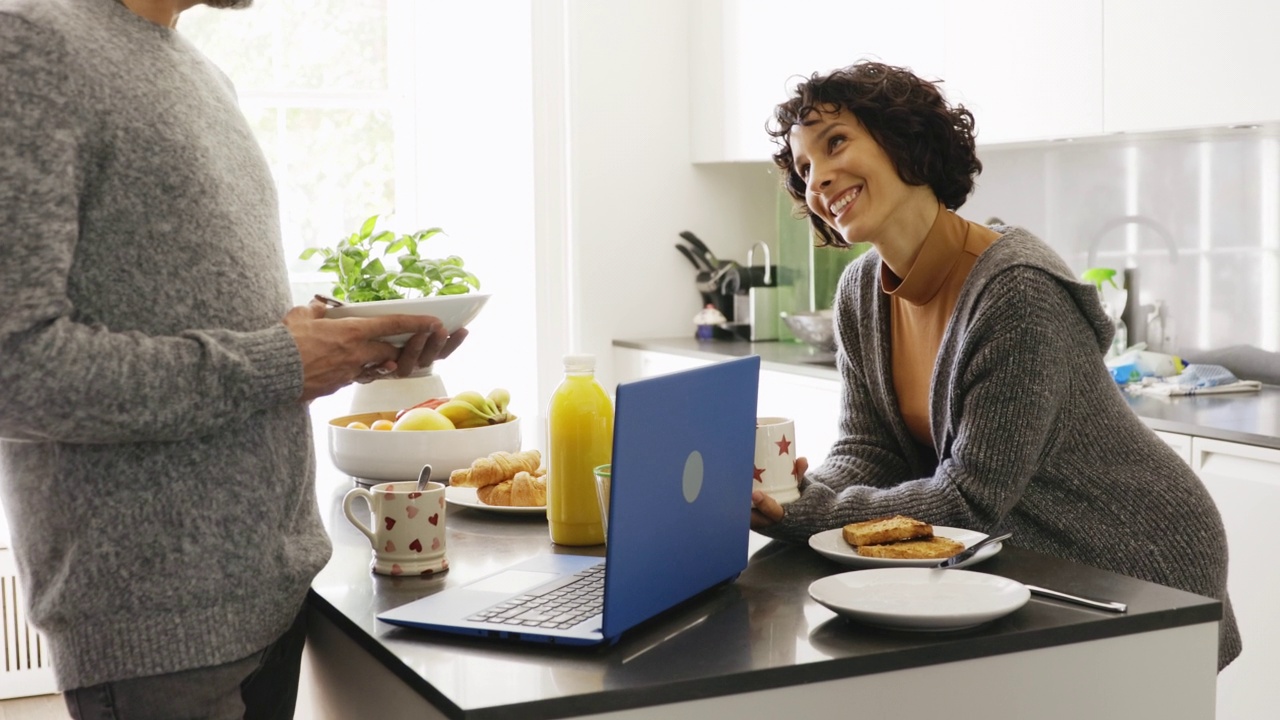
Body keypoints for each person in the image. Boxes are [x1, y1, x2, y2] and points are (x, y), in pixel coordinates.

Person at [0, 0, 467, 717]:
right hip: (159, 630)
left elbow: (218, 325)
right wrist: (283, 361)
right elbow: (17, 371)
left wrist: (336, 352)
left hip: (272, 599)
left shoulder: (202, 74)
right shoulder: (28, 44)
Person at [750, 60, 1240, 670]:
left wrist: (812, 516)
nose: (818, 178)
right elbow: (867, 446)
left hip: (1133, 552)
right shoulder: (859, 290)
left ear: (904, 139)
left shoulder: (1015, 291)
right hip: (1023, 554)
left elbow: (967, 503)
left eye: (836, 142)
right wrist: (797, 493)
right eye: (803, 168)